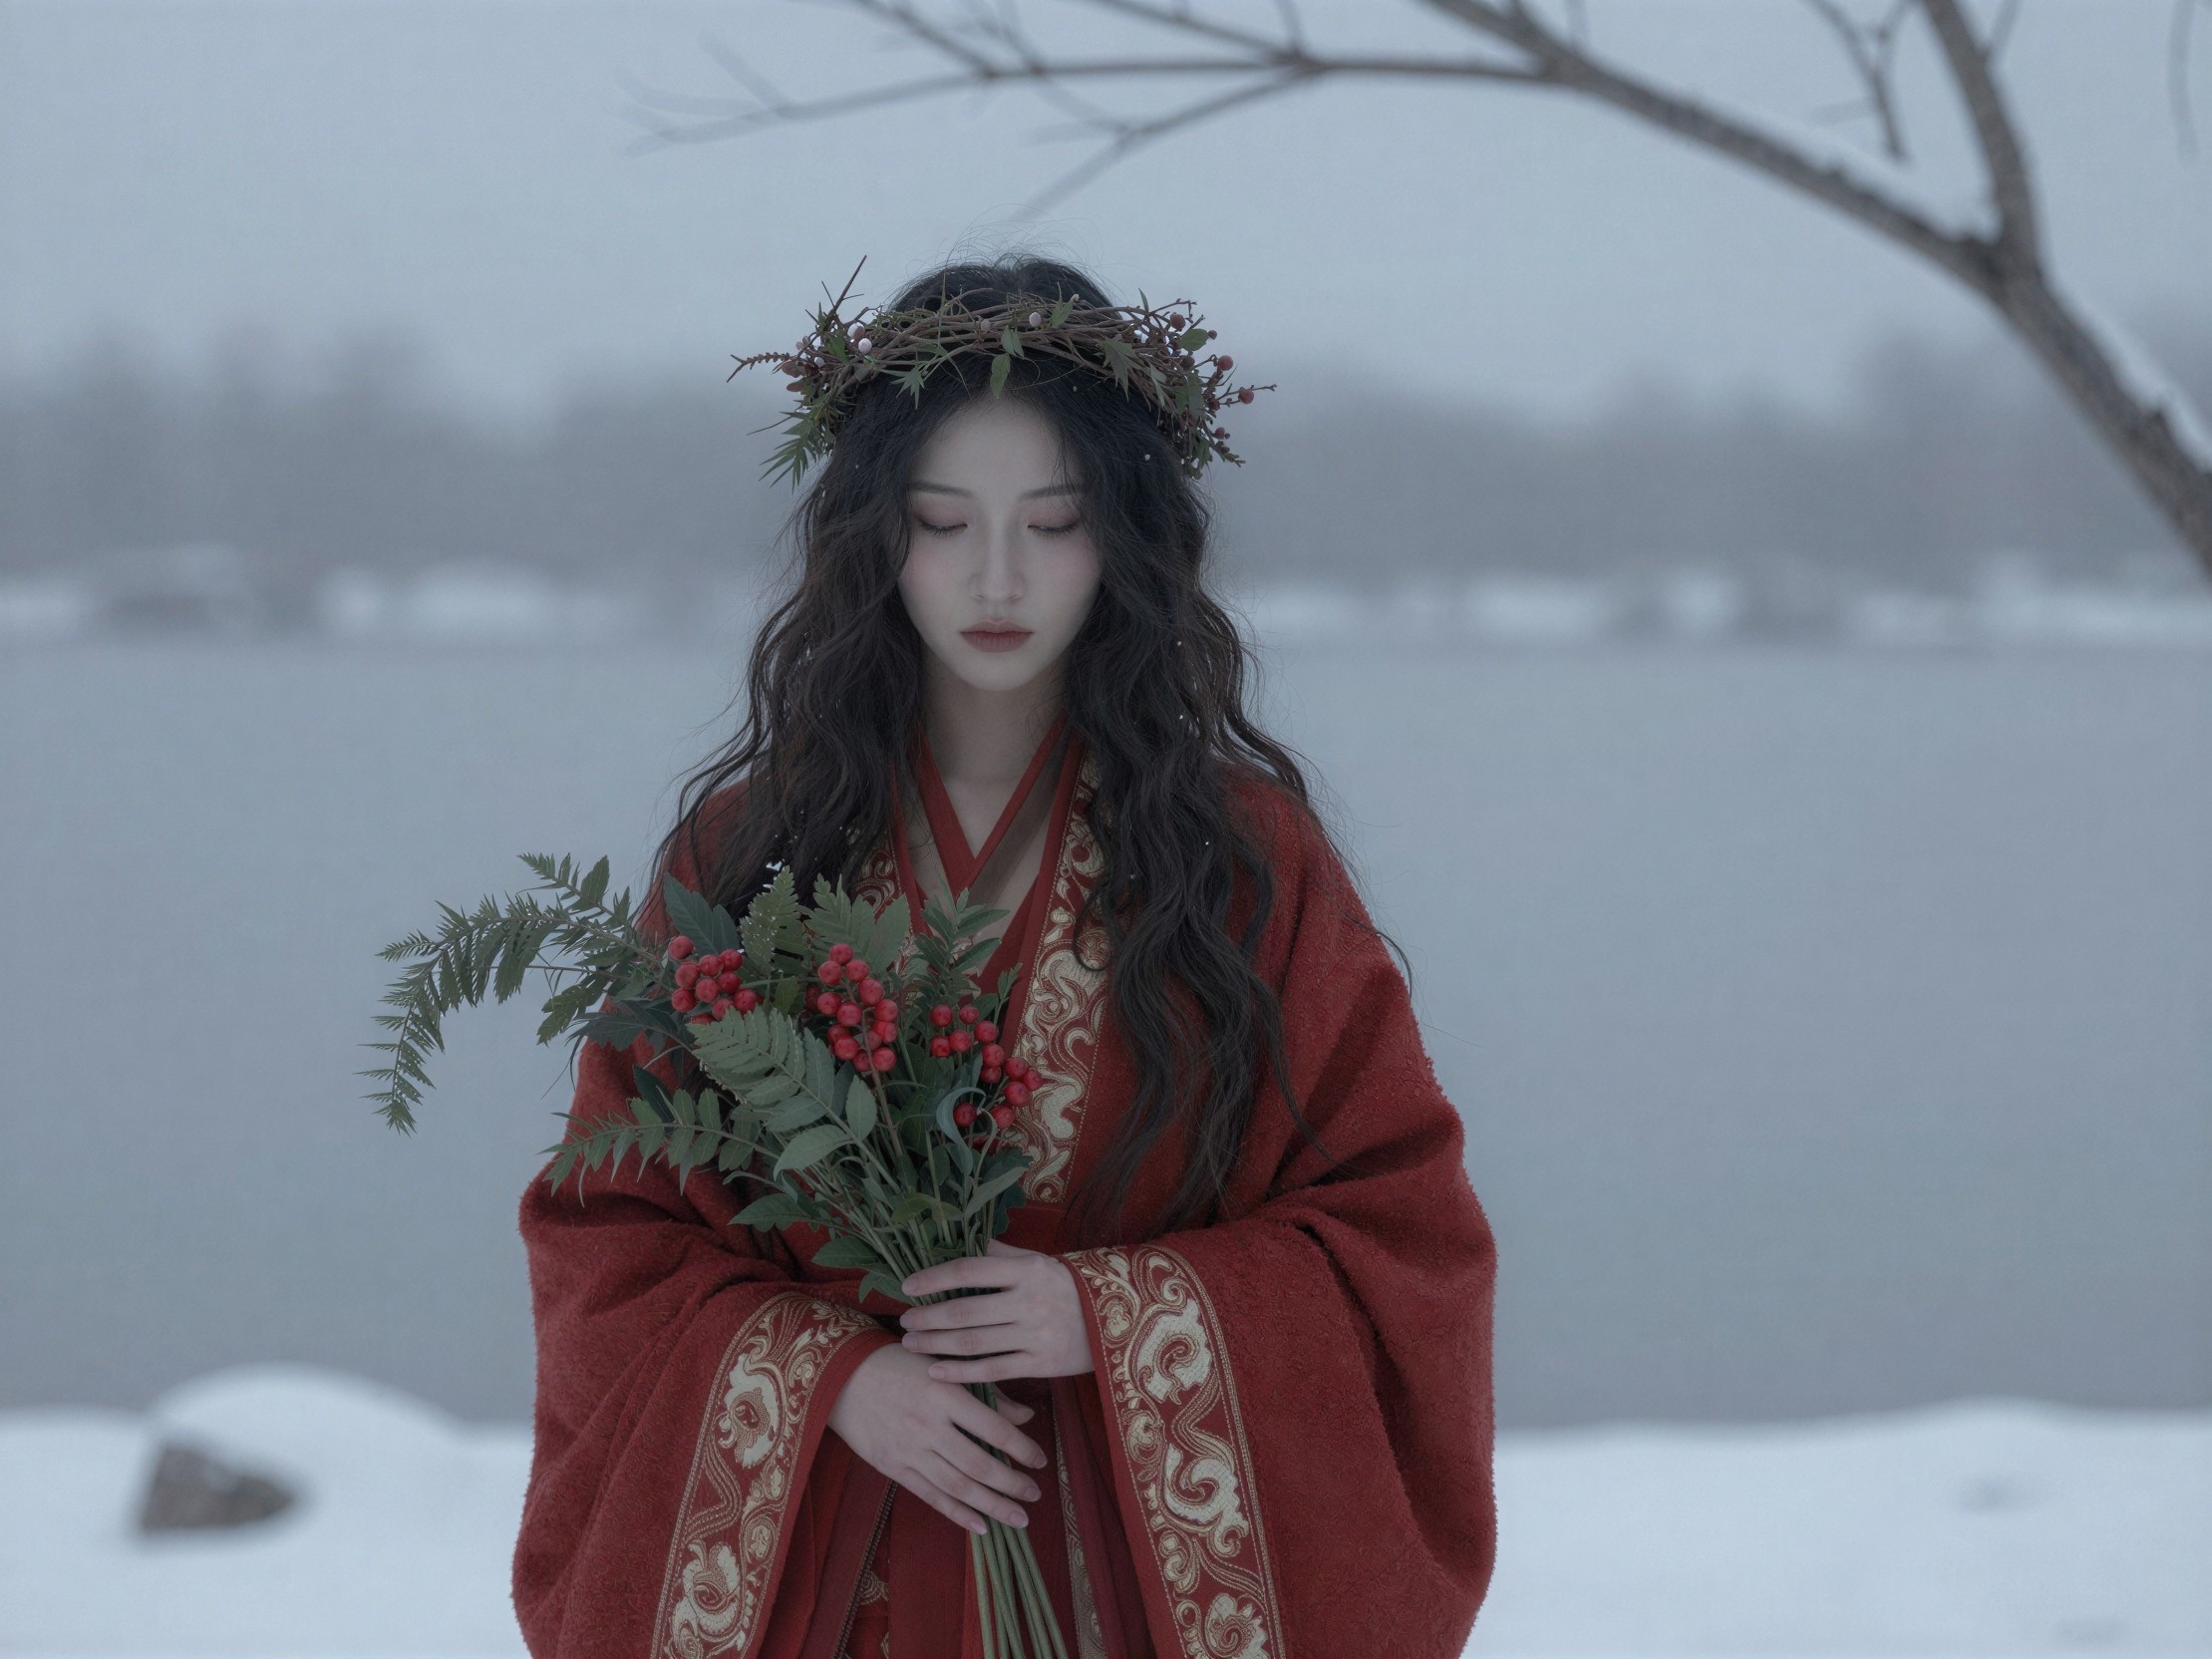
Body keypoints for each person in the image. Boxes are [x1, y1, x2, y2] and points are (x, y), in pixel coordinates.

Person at [510, 254, 1498, 1659]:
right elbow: (610, 1235)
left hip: (1119, 1600)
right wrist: (833, 1379)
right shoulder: (751, 858)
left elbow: (1405, 1237)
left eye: (1052, 524)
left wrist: (1114, 1316)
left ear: (1125, 542)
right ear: (874, 537)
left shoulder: (1240, 863)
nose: (996, 577)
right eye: (941, 521)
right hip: (836, 1576)